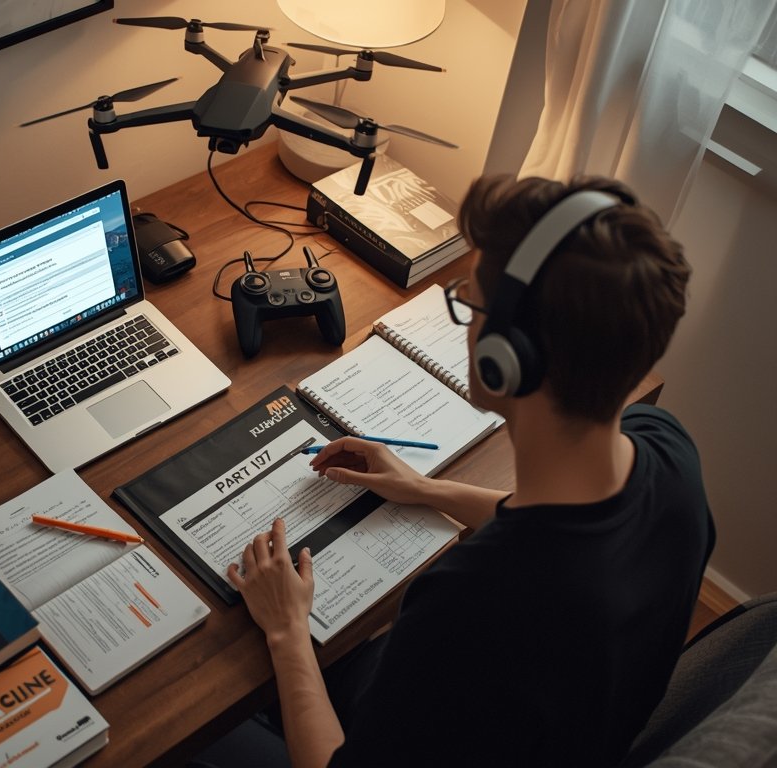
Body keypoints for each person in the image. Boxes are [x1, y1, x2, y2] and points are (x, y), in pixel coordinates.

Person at [225, 173, 715, 768]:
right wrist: (423, 488)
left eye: (470, 301)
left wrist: (285, 629)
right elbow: (568, 527)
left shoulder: (474, 606)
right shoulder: (670, 452)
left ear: (506, 357)